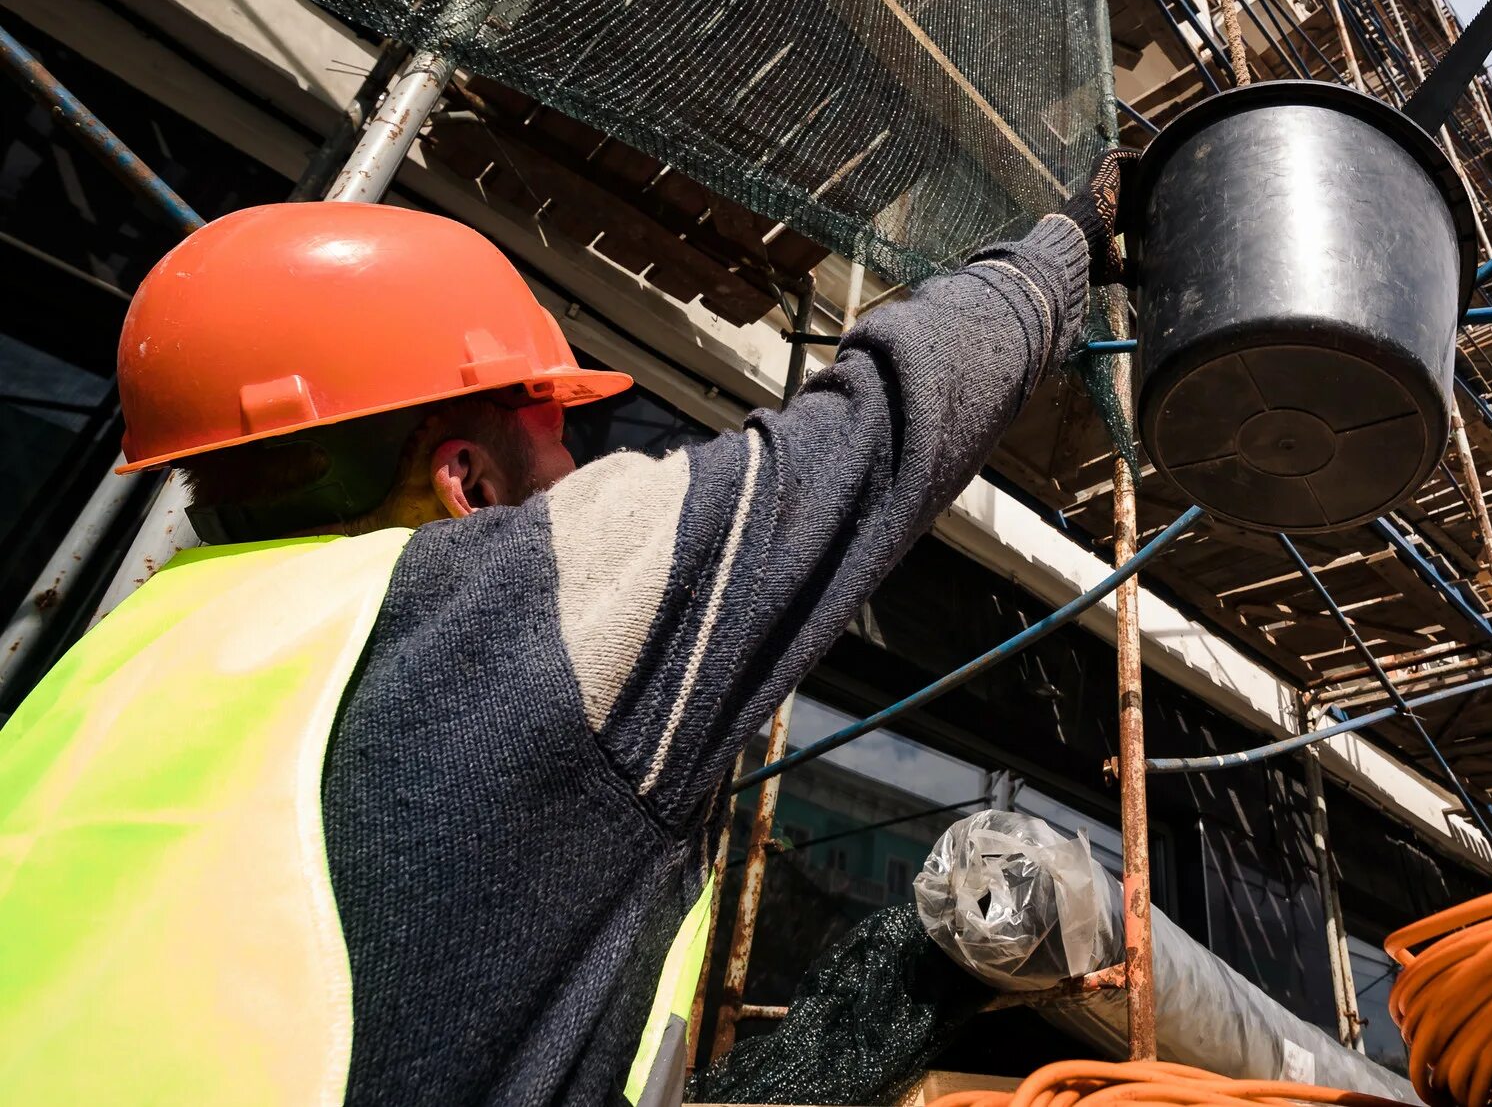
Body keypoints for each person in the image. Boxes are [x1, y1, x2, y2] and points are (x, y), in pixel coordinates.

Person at [0, 149, 1138, 1106]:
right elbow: (882, 428)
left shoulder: (99, 673)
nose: (582, 473)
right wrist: (1065, 246)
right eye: (555, 442)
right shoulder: (504, 606)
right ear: (468, 482)